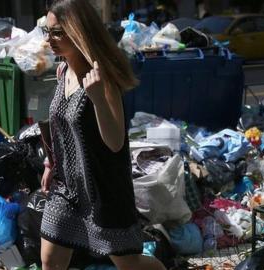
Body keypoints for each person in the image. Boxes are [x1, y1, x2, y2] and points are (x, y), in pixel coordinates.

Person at [39, 1, 167, 270]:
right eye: (47, 31)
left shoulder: (102, 76)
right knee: (50, 260)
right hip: (67, 187)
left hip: (102, 189)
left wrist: (97, 99)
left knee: (128, 264)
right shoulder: (63, 71)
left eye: (58, 32)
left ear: (79, 31)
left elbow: (115, 141)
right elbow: (60, 124)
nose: (50, 40)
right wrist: (51, 163)